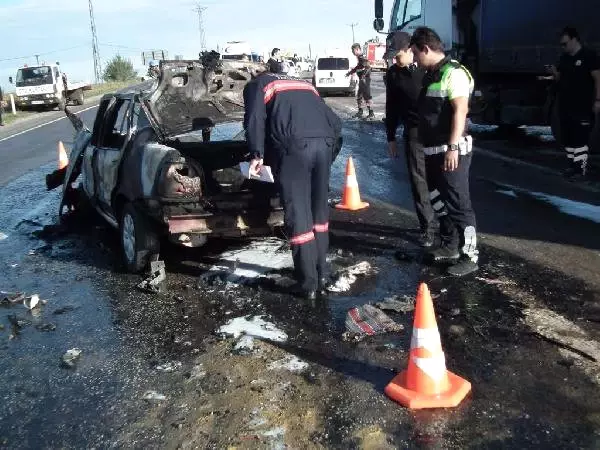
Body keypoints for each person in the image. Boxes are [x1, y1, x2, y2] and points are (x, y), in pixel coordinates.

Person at [243, 67, 342, 300]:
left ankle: (307, 283)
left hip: (294, 147)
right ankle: (323, 273)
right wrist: (329, 153)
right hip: (325, 144)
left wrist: (256, 154)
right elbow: (335, 123)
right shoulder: (304, 84)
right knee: (319, 211)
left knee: (298, 214)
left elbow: (255, 118)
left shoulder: (258, 85)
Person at [410, 26, 478, 276]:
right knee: (438, 201)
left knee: (459, 204)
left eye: (417, 54)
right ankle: (450, 246)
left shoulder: (454, 73)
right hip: (431, 151)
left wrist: (453, 147)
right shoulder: (431, 74)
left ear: (426, 49)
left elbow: (460, 111)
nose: (416, 60)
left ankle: (470, 255)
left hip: (452, 151)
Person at [385, 31, 435, 248]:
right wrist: (391, 137)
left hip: (436, 131)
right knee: (419, 181)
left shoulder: (429, 69)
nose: (395, 60)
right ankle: (428, 228)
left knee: (440, 180)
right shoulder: (394, 75)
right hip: (413, 132)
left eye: (398, 55)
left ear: (409, 49)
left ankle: (449, 227)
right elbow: (391, 107)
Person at [548, 26, 600, 180]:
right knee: (568, 139)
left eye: (565, 44)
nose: (563, 47)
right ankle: (571, 166)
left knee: (581, 140)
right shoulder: (564, 59)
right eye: (561, 45)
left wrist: (598, 100)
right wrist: (554, 74)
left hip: (582, 105)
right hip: (565, 105)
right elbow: (561, 78)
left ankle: (580, 169)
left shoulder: (589, 56)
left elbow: (598, 79)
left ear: (574, 39)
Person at [346, 43, 374, 119]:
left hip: (364, 80)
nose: (352, 52)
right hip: (362, 79)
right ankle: (360, 111)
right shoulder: (359, 57)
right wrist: (350, 73)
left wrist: (363, 76)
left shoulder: (362, 57)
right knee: (359, 96)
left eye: (353, 50)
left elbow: (368, 67)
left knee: (367, 96)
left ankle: (371, 113)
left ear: (357, 49)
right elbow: (358, 67)